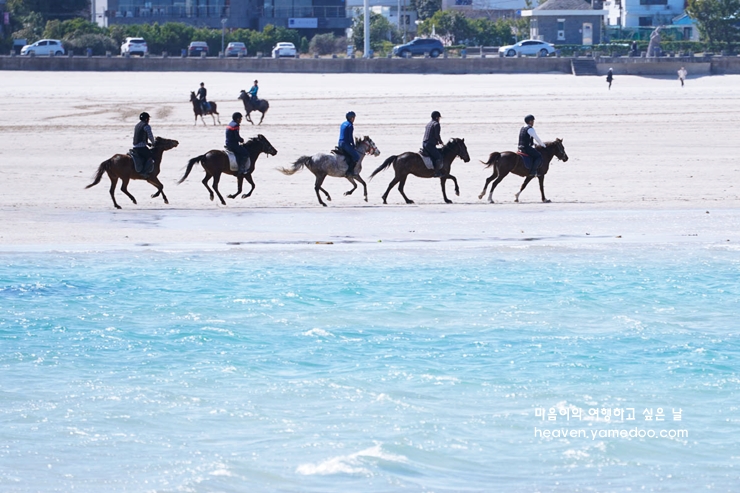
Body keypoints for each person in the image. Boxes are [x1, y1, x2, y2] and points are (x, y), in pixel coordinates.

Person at [133, 112, 155, 178]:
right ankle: (144, 172)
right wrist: (153, 143)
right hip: (141, 147)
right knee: (150, 156)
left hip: (135, 146)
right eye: (148, 118)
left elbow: (140, 136)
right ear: (146, 119)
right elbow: (150, 136)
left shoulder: (137, 125)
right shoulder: (146, 126)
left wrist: (147, 143)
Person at [226, 112, 249, 176]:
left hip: (228, 143)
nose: (241, 120)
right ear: (238, 119)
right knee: (245, 153)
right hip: (233, 144)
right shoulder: (236, 125)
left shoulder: (230, 124)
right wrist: (241, 140)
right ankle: (241, 169)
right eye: (241, 119)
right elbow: (236, 136)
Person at [338, 111, 360, 177]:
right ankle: (349, 172)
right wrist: (353, 145)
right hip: (345, 144)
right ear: (352, 118)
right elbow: (350, 137)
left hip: (340, 143)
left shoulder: (343, 124)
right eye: (354, 117)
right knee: (356, 156)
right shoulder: (350, 125)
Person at [423, 110, 444, 177]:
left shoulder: (429, 124)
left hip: (424, 143)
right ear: (437, 117)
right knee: (439, 157)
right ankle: (436, 172)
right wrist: (440, 142)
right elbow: (437, 135)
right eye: (439, 118)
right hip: (430, 144)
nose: (439, 119)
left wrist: (436, 142)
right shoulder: (436, 124)